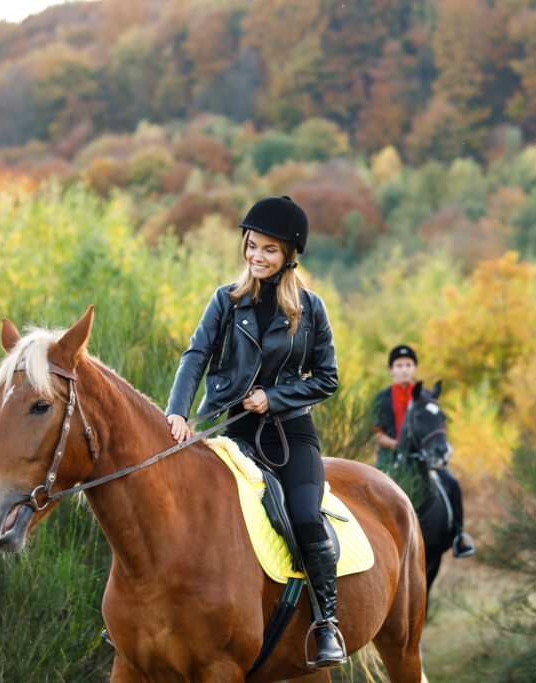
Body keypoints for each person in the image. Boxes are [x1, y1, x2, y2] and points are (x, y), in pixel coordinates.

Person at [165, 196, 346, 668]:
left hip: (288, 435)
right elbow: (195, 357)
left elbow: (327, 378)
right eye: (251, 246)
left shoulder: (311, 309)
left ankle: (327, 623)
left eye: (269, 249)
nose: (257, 257)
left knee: (306, 516)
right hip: (225, 430)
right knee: (174, 510)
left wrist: (276, 397)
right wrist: (178, 414)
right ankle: (151, 610)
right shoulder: (225, 300)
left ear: (289, 255)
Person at [372, 344, 475, 558]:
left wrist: (438, 451)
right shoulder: (381, 399)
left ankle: (458, 537)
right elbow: (374, 434)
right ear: (391, 369)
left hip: (423, 461)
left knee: (453, 485)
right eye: (399, 365)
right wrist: (397, 444)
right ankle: (368, 537)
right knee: (370, 492)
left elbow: (438, 428)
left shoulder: (427, 397)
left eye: (408, 365)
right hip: (390, 460)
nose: (404, 369)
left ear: (415, 368)